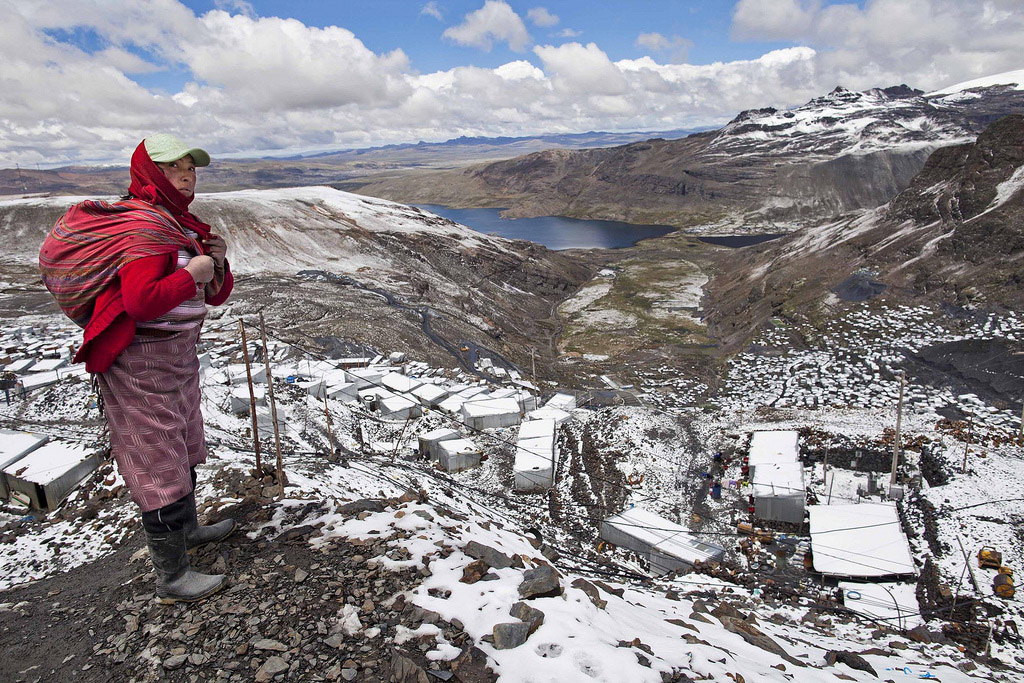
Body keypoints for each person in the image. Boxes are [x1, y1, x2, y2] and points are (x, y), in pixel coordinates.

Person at [39, 134, 237, 603]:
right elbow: (141, 301)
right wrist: (192, 274)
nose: (187, 174)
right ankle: (172, 576)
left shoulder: (177, 223)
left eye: (191, 166)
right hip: (141, 360)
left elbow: (213, 294)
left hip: (176, 357)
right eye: (173, 167)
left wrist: (217, 265)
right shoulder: (146, 227)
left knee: (183, 441)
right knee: (156, 456)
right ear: (150, 172)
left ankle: (188, 532)